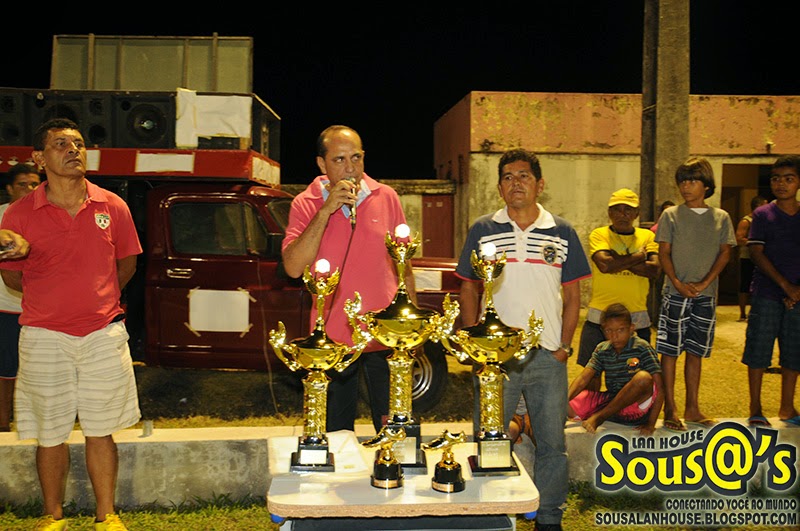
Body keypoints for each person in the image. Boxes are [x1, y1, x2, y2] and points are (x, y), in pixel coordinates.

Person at [0, 118, 142, 531]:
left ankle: (106, 515)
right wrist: (51, 295)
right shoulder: (19, 213)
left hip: (103, 333)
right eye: (60, 144)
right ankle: (53, 516)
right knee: (49, 431)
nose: (73, 150)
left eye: (78, 143)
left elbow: (127, 264)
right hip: (44, 335)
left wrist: (96, 299)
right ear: (39, 158)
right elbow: (12, 278)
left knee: (102, 429)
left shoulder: (112, 205)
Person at [456, 148, 591, 531]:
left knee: (552, 445)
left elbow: (573, 295)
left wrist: (564, 346)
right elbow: (468, 287)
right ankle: (493, 516)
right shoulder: (483, 229)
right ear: (499, 187)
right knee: (489, 441)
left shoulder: (561, 231)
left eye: (524, 176)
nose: (516, 183)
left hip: (547, 357)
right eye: (508, 177)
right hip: (496, 359)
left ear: (539, 184)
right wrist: (477, 347)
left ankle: (548, 519)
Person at [281, 125, 415, 434]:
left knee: (395, 429)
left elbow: (404, 263)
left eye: (356, 157)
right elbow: (293, 267)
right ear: (322, 164)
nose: (351, 168)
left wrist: (411, 327)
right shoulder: (305, 203)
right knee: (335, 433)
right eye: (339, 160)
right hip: (334, 339)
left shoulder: (386, 197)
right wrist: (326, 210)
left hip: (386, 335)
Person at [655, 157, 736, 432]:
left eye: (692, 181)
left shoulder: (721, 218)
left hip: (705, 295)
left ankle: (692, 406)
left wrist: (704, 284)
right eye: (682, 181)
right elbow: (664, 253)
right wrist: (677, 282)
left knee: (695, 351)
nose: (685, 187)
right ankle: (670, 408)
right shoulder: (671, 215)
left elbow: (725, 253)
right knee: (669, 351)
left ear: (707, 185)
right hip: (675, 293)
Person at [577, 188, 660, 391]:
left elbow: (654, 270)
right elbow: (605, 265)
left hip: (636, 318)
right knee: (592, 374)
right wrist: (639, 257)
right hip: (599, 317)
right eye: (617, 209)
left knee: (634, 376)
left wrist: (617, 260)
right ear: (609, 212)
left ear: (637, 213)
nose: (623, 214)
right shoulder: (599, 234)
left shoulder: (647, 236)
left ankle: (624, 409)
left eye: (628, 210)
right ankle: (593, 407)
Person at [741, 156, 800, 428]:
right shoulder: (763, 214)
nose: (781, 184)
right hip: (766, 292)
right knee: (758, 350)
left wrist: (796, 290)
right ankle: (755, 407)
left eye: (789, 178)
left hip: (797, 295)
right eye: (776, 178)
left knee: (794, 351)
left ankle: (787, 406)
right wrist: (785, 286)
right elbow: (756, 252)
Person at [568, 303, 664, 435]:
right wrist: (564, 401)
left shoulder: (642, 347)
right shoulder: (602, 348)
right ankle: (600, 414)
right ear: (603, 330)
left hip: (636, 407)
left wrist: (650, 424)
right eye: (609, 331)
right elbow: (584, 377)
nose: (614, 336)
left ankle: (599, 418)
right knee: (567, 401)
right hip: (612, 402)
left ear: (631, 328)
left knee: (643, 378)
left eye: (621, 330)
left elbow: (660, 387)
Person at [0, 163, 40, 432]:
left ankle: (33, 429)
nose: (29, 189)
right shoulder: (1, 216)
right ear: (10, 189)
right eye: (23, 184)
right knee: (5, 372)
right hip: (6, 308)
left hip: (41, 311)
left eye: (34, 184)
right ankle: (3, 428)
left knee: (35, 374)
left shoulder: (48, 215)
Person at [735, 195, 768, 321]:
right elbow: (738, 239)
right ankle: (743, 313)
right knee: (745, 284)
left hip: (762, 257)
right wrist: (754, 243)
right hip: (747, 257)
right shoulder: (746, 221)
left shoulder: (765, 220)